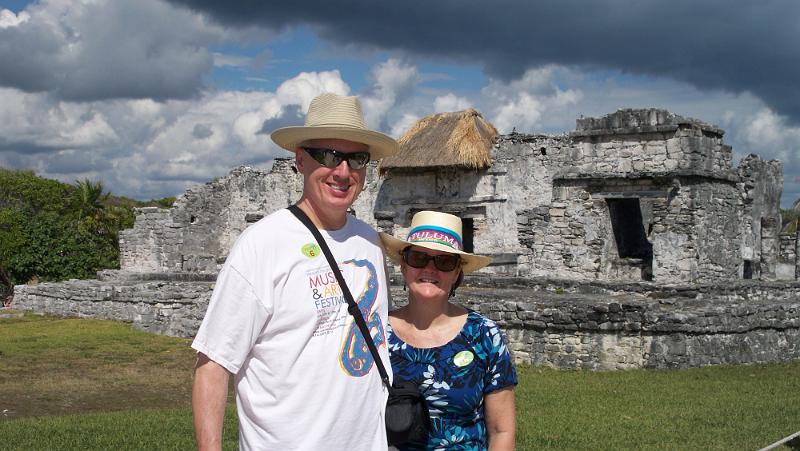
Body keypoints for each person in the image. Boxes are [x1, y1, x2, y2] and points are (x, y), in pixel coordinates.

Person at [191, 93, 399, 450]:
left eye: (356, 158)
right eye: (328, 156)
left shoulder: (369, 242)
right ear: (300, 161)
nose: (343, 171)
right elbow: (213, 363)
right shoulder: (262, 245)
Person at [380, 211, 518, 450]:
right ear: (403, 265)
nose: (430, 269)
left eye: (444, 261)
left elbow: (501, 430)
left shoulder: (484, 335)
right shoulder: (377, 332)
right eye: (419, 258)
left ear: (457, 272)